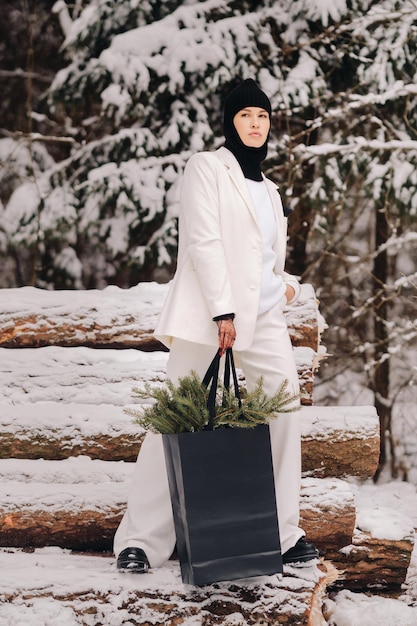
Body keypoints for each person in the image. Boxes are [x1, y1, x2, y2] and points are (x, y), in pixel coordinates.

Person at [114, 78, 319, 573]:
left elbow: (267, 260)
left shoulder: (271, 190)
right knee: (178, 417)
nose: (255, 124)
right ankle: (141, 540)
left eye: (263, 117)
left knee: (285, 405)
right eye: (246, 115)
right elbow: (203, 242)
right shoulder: (206, 167)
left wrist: (287, 286)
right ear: (230, 121)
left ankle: (281, 531)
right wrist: (222, 310)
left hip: (263, 314)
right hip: (209, 312)